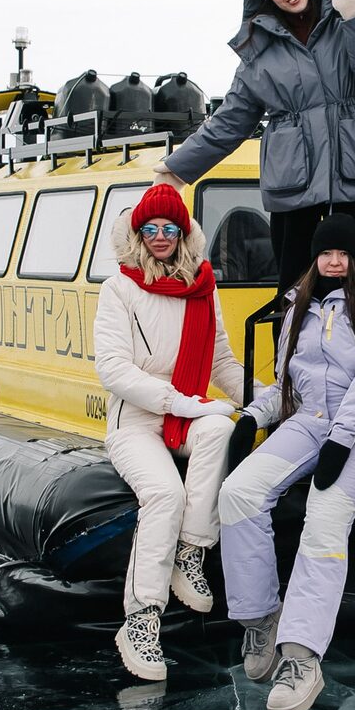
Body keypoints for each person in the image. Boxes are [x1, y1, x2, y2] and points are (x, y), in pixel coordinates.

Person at [217, 215, 355, 710]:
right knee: (238, 492)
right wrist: (250, 419)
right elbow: (285, 384)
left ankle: (301, 659)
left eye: (343, 253)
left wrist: (342, 442)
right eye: (326, 253)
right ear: (315, 257)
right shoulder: (299, 304)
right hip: (308, 421)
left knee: (323, 516)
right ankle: (262, 619)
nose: (334, 261)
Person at [163, 0, 355, 292]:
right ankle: (291, 346)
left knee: (351, 277)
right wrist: (177, 168)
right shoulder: (259, 51)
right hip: (294, 179)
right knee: (294, 283)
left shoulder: (343, 23)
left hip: (353, 167)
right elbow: (231, 120)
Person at [93, 181, 244, 681]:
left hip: (186, 411)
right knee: (162, 494)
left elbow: (220, 358)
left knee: (220, 430)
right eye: (151, 228)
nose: (161, 236)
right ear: (139, 233)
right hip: (136, 418)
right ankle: (140, 619)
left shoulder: (202, 286)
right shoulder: (120, 288)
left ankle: (191, 549)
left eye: (170, 228)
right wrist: (182, 402)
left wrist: (263, 397)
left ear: (184, 233)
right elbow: (113, 368)